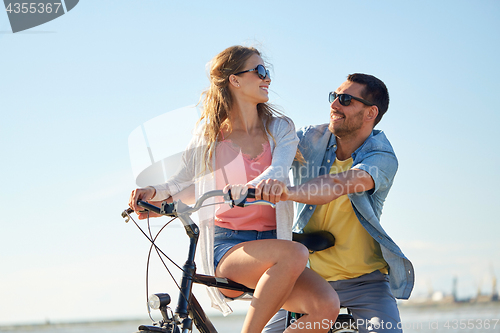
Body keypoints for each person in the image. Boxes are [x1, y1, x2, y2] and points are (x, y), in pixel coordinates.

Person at [129, 45, 339, 333]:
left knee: (326, 306)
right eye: (260, 71)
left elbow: (277, 170)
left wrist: (251, 187)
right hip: (230, 248)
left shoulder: (280, 129)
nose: (267, 79)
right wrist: (151, 192)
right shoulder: (210, 135)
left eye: (268, 72)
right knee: (294, 253)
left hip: (275, 246)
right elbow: (178, 182)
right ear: (235, 80)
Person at [257, 74, 414, 333]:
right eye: (334, 97)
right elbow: (260, 151)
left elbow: (340, 184)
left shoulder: (381, 156)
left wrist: (286, 192)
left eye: (345, 100)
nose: (334, 105)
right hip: (306, 279)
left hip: (366, 283)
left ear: (370, 113)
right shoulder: (308, 139)